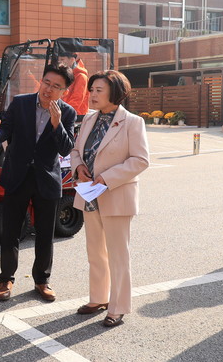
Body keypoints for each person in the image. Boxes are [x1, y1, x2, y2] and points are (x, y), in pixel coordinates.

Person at [0, 64, 76, 302]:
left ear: (64, 91)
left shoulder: (67, 112)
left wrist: (57, 123)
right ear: (41, 81)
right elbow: (5, 130)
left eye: (56, 86)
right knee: (11, 232)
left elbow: (66, 148)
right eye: (46, 82)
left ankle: (42, 280)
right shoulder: (20, 103)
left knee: (45, 234)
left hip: (47, 179)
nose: (48, 89)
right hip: (17, 175)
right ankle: (6, 279)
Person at [70, 70, 149, 328]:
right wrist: (79, 167)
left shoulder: (133, 122)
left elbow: (140, 160)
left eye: (98, 90)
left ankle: (118, 307)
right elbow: (75, 150)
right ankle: (98, 298)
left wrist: (107, 178)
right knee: (95, 251)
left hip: (116, 195)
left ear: (115, 92)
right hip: (89, 194)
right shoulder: (89, 118)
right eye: (91, 90)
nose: (92, 94)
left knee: (118, 255)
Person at [59, 52, 90, 122]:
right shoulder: (66, 75)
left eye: (62, 59)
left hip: (76, 116)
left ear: (72, 60)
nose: (60, 62)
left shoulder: (81, 77)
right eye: (59, 60)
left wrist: (64, 113)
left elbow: (77, 99)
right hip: (66, 113)